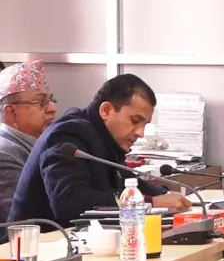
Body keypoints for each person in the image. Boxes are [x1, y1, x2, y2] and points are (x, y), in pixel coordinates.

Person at [9, 74, 192, 226]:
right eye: (135, 121)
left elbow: (127, 182)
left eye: (145, 125)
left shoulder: (106, 138)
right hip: (32, 249)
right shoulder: (67, 136)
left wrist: (168, 196)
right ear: (106, 110)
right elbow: (71, 203)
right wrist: (150, 203)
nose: (140, 133)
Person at [0, 61, 57, 220]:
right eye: (41, 102)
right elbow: (19, 222)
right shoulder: (4, 154)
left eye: (51, 100)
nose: (52, 108)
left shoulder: (43, 145)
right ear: (11, 113)